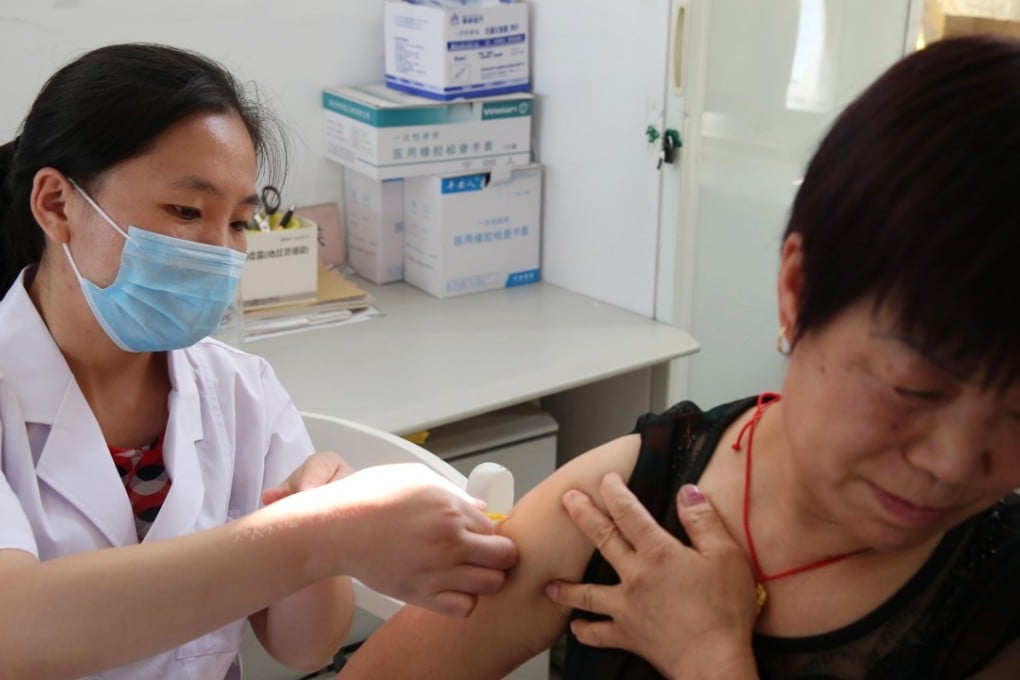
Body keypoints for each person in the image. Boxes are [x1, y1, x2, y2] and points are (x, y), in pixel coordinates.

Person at [336, 34, 1020, 680]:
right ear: (798, 292)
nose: (955, 462)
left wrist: (711, 660)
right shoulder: (629, 498)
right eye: (912, 387)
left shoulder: (998, 593)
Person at [0, 43, 517, 679]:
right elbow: (14, 629)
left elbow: (305, 647)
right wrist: (315, 535)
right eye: (186, 211)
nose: (218, 252)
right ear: (56, 204)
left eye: (241, 223)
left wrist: (314, 518)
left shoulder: (239, 390)